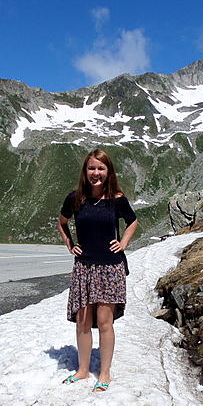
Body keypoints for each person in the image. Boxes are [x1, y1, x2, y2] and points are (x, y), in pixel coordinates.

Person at [57, 148, 139, 392]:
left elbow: (132, 221)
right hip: (84, 267)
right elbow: (62, 222)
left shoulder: (117, 199)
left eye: (100, 168)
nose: (95, 173)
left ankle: (104, 373)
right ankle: (82, 370)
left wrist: (123, 243)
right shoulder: (75, 198)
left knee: (105, 322)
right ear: (85, 171)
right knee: (82, 321)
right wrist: (70, 244)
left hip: (110, 267)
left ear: (108, 171)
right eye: (91, 168)